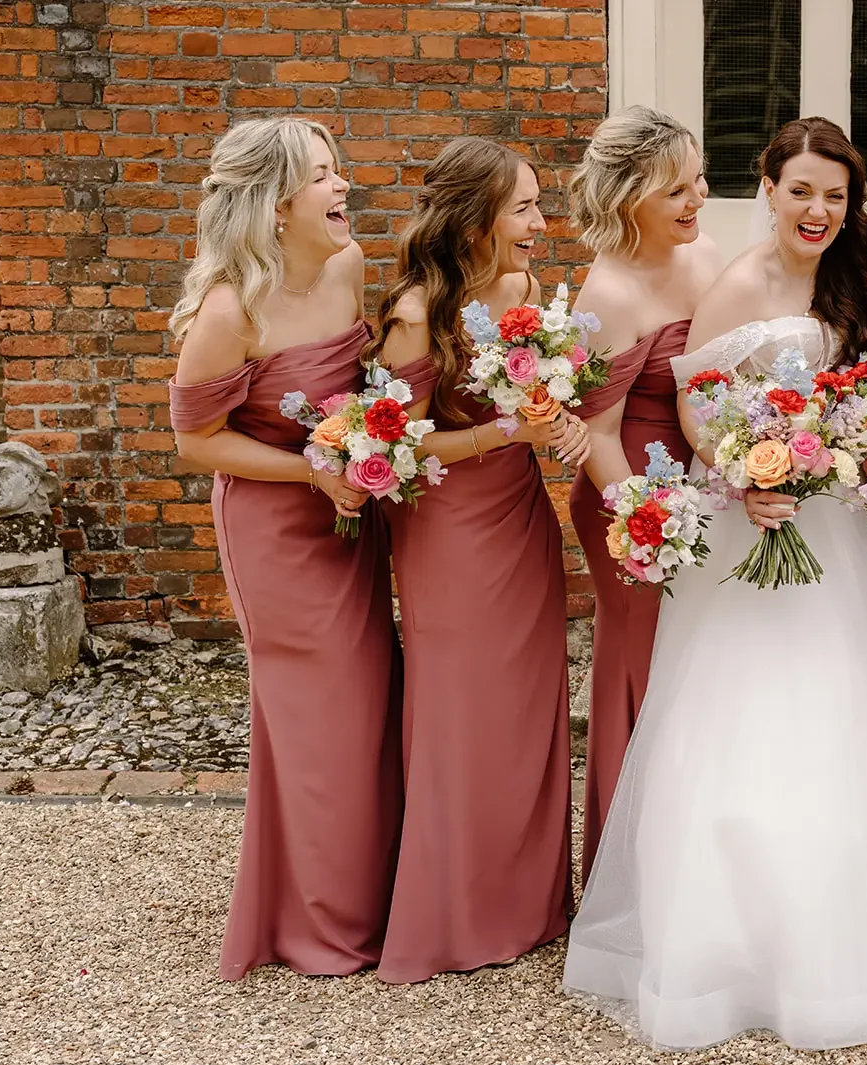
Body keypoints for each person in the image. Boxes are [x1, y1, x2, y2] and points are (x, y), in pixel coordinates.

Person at [563, 117, 867, 1052]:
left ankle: (848, 941)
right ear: (770, 190)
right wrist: (747, 473)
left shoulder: (852, 277)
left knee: (842, 709)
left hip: (829, 520)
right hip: (749, 517)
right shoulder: (738, 279)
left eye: (836, 194)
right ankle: (719, 945)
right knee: (736, 711)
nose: (818, 210)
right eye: (801, 192)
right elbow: (700, 406)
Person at [166, 117, 402, 981]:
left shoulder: (349, 268)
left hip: (350, 519)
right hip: (275, 529)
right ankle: (318, 925)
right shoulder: (230, 311)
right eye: (323, 176)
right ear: (274, 205)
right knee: (317, 720)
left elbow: (368, 386)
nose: (343, 188)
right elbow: (196, 442)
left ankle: (368, 897)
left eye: (339, 170)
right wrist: (313, 472)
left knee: (370, 700)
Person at [365, 137, 589, 984]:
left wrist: (558, 423)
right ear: (476, 216)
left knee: (526, 707)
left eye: (537, 205)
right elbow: (396, 448)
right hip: (449, 530)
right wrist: (507, 431)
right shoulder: (418, 313)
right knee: (461, 709)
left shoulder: (528, 291)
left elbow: (544, 400)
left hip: (521, 515)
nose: (540, 222)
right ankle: (452, 909)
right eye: (524, 207)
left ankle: (525, 904)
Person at [565, 106, 721, 883]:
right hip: (628, 499)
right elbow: (594, 436)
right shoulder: (608, 293)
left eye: (698, 182)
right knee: (641, 665)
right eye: (676, 191)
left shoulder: (708, 259)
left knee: (703, 671)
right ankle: (627, 875)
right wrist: (654, 520)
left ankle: (695, 861)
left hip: (705, 488)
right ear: (629, 196)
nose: (697, 201)